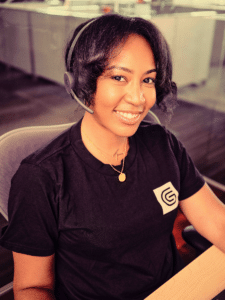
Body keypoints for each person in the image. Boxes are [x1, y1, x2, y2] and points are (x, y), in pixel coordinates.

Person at [1, 13, 225, 300]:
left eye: (148, 80)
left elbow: (216, 222)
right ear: (81, 83)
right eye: (119, 77)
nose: (138, 97)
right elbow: (33, 287)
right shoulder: (40, 178)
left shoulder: (163, 144)